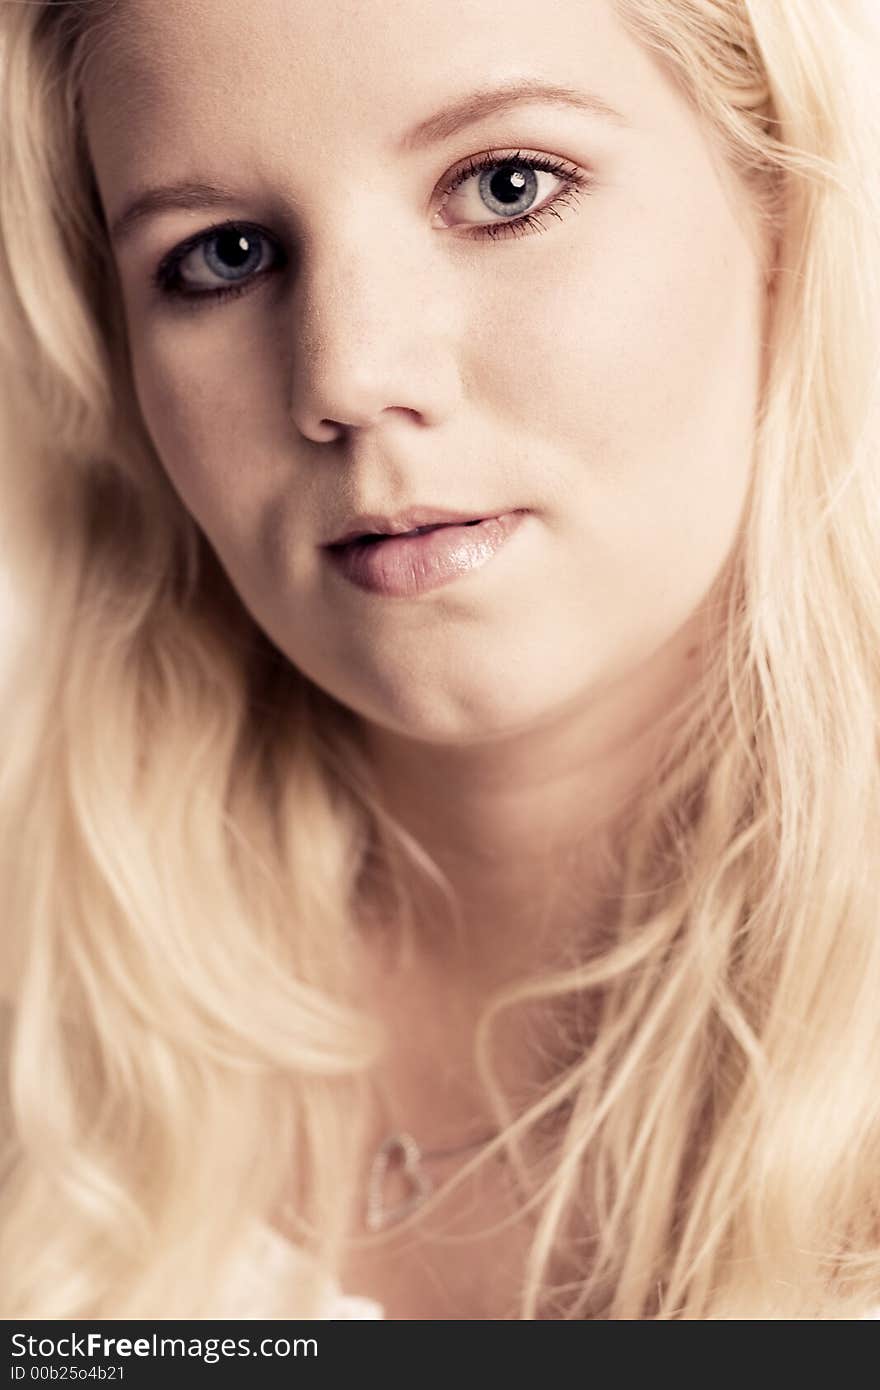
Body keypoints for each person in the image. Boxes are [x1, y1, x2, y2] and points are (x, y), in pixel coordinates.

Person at [0, 0, 878, 1321]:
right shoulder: (37, 1007)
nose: (347, 375)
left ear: (779, 206)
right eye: (223, 255)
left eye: (505, 185)